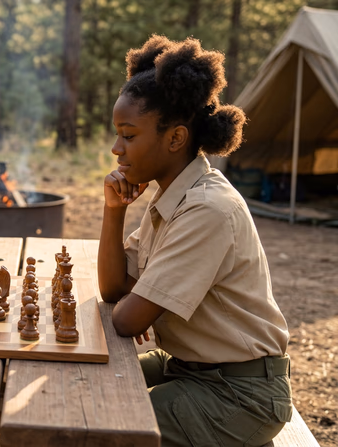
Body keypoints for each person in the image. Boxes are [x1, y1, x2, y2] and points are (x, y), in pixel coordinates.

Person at [97, 35, 292, 446]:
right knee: (88, 377)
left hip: (240, 394)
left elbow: (127, 319)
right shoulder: (172, 196)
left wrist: (136, 305)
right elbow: (115, 289)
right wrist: (114, 212)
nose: (117, 149)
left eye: (128, 135)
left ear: (175, 139)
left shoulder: (206, 208)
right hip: (191, 367)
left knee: (103, 419)